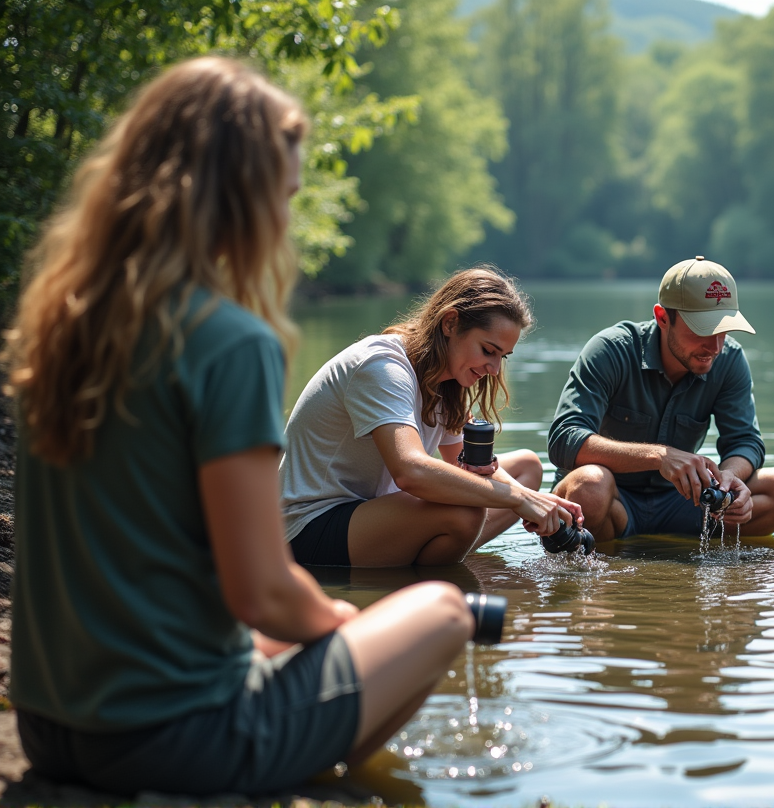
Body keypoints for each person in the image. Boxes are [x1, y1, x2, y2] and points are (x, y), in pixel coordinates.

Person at [4, 58, 477, 795]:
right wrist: (338, 624)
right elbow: (261, 589)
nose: (286, 220)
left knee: (284, 639)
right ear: (233, 197)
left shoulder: (60, 329)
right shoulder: (227, 341)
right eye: (282, 196)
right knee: (445, 611)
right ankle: (304, 779)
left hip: (49, 722)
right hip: (170, 737)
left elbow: (168, 561)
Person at [280, 266, 579, 567]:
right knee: (465, 512)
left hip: (368, 515)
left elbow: (472, 466)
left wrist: (538, 500)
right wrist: (519, 499)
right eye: (488, 350)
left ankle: (442, 559)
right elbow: (410, 472)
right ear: (450, 322)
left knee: (526, 468)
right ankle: (428, 589)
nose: (495, 369)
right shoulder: (382, 368)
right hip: (307, 529)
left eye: (502, 357)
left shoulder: (446, 382)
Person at [548, 256, 774, 541]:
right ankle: (608, 571)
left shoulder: (729, 359)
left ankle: (677, 555)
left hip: (683, 505)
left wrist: (729, 478)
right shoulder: (610, 350)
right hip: (612, 502)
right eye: (703, 329)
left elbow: (746, 441)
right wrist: (660, 457)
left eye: (724, 330)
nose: (715, 346)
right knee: (591, 486)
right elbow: (564, 439)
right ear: (662, 318)